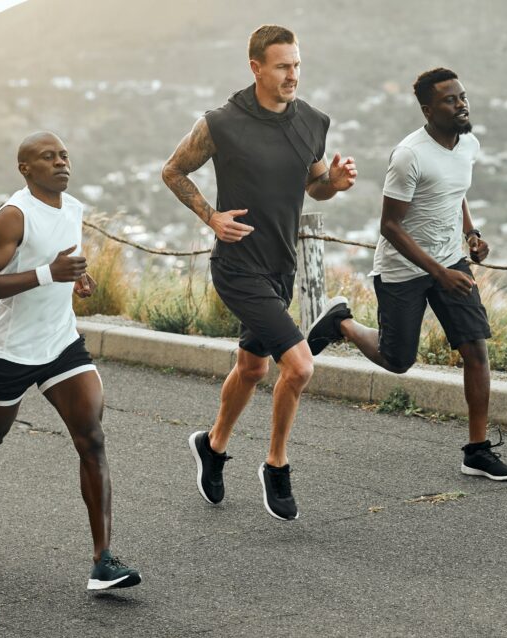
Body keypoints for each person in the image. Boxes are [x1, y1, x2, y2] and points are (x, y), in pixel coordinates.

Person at [0, 132, 141, 591]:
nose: (61, 162)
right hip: (9, 349)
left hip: (60, 342)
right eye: (48, 157)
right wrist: (48, 275)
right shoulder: (13, 215)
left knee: (92, 437)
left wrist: (77, 278)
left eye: (64, 155)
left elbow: (64, 260)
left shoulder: (74, 208)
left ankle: (103, 562)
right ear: (26, 168)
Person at [162, 25, 357, 521]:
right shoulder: (221, 122)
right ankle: (276, 465)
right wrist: (211, 216)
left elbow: (313, 186)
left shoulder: (312, 121)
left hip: (280, 267)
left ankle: (212, 445)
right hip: (237, 267)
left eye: (297, 64)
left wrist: (332, 183)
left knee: (252, 368)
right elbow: (173, 170)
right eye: (282, 66)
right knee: (299, 365)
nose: (293, 74)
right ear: (256, 67)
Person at [306, 68, 507, 482]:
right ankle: (342, 322)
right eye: (449, 100)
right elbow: (390, 227)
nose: (461, 104)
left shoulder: (468, 145)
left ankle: (477, 451)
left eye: (462, 97)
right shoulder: (409, 155)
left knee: (475, 349)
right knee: (398, 360)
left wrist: (471, 234)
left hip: (449, 262)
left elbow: (454, 193)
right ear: (427, 109)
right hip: (403, 270)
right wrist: (439, 273)